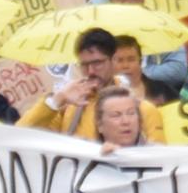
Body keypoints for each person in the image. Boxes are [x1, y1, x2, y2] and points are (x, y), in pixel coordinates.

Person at [22, 30, 167, 142]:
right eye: (84, 65)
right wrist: (57, 99)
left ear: (113, 61)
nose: (90, 71)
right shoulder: (68, 107)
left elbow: (158, 160)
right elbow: (21, 135)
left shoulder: (141, 109)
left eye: (97, 63)